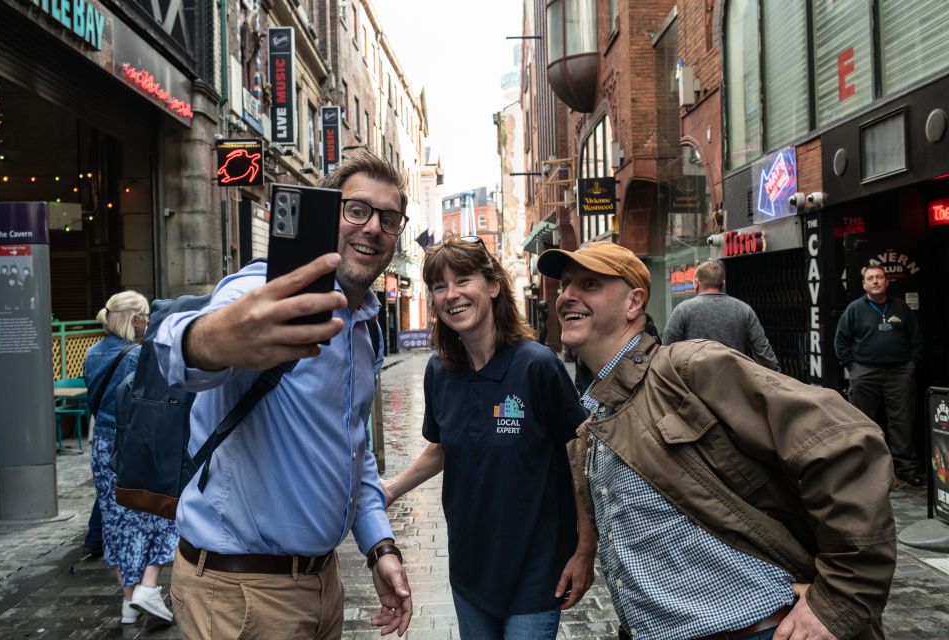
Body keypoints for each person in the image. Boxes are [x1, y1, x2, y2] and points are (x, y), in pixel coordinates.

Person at [537, 241, 896, 640]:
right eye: (565, 283)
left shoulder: (688, 368)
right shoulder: (594, 422)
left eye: (588, 284)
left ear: (634, 302)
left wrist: (841, 600)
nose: (567, 295)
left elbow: (845, 443)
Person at [154, 150, 412, 639]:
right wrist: (211, 339)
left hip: (321, 586)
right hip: (239, 594)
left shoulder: (366, 329)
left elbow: (353, 449)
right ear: (326, 215)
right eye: (356, 210)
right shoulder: (270, 289)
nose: (373, 227)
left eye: (389, 218)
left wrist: (379, 545)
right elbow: (175, 346)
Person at [381, 236, 595, 640]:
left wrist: (585, 551)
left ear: (493, 286)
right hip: (470, 566)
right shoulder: (439, 371)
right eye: (439, 286)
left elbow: (580, 458)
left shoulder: (537, 366)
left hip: (535, 567)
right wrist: (390, 489)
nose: (451, 295)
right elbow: (443, 447)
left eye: (463, 280)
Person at [84, 291, 179, 625]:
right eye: (146, 316)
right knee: (161, 513)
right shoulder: (140, 356)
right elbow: (157, 404)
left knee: (116, 523)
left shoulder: (92, 353)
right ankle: (149, 586)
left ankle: (129, 602)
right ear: (136, 319)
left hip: (102, 447)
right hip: (137, 445)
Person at [834, 265, 925, 486]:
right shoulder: (854, 309)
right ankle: (865, 469)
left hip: (899, 372)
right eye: (870, 278)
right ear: (864, 284)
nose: (875, 281)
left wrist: (910, 365)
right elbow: (841, 341)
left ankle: (905, 469)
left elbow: (916, 340)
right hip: (865, 372)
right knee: (863, 421)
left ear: (886, 282)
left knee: (902, 422)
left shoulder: (900, 308)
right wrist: (853, 368)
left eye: (879, 277)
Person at [662, 259, 780, 371]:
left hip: (694, 387)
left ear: (696, 284)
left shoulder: (683, 310)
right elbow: (765, 355)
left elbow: (666, 353)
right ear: (722, 284)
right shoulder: (744, 310)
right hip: (735, 385)